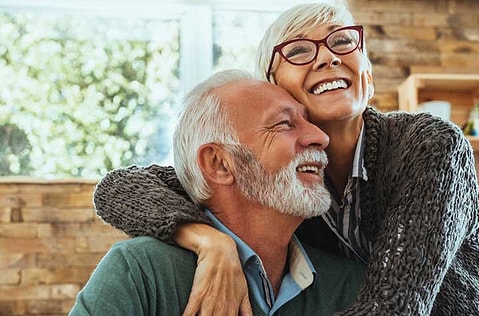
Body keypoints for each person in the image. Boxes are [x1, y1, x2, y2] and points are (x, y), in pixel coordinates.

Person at [93, 3, 479, 316]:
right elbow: (120, 187)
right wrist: (210, 240)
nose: (327, 55)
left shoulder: (430, 146)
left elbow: (394, 308)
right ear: (274, 84)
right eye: (300, 51)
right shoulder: (285, 181)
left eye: (343, 42)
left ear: (368, 74)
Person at [70, 69, 365, 316]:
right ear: (219, 163)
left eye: (308, 122)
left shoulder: (351, 286)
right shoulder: (140, 273)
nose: (320, 137)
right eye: (284, 124)